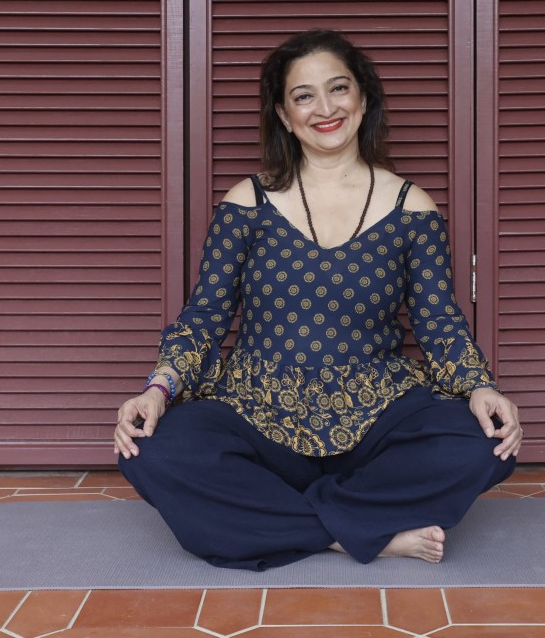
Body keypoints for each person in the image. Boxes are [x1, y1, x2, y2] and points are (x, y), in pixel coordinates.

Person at [114, 29, 521, 571]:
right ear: (284, 115)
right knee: (150, 448)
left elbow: (439, 322)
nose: (324, 108)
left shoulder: (411, 206)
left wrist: (480, 386)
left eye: (338, 89)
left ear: (363, 99)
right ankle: (360, 530)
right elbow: (206, 315)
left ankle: (284, 522)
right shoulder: (247, 202)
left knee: (482, 441)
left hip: (376, 413)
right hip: (257, 411)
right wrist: (158, 390)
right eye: (304, 96)